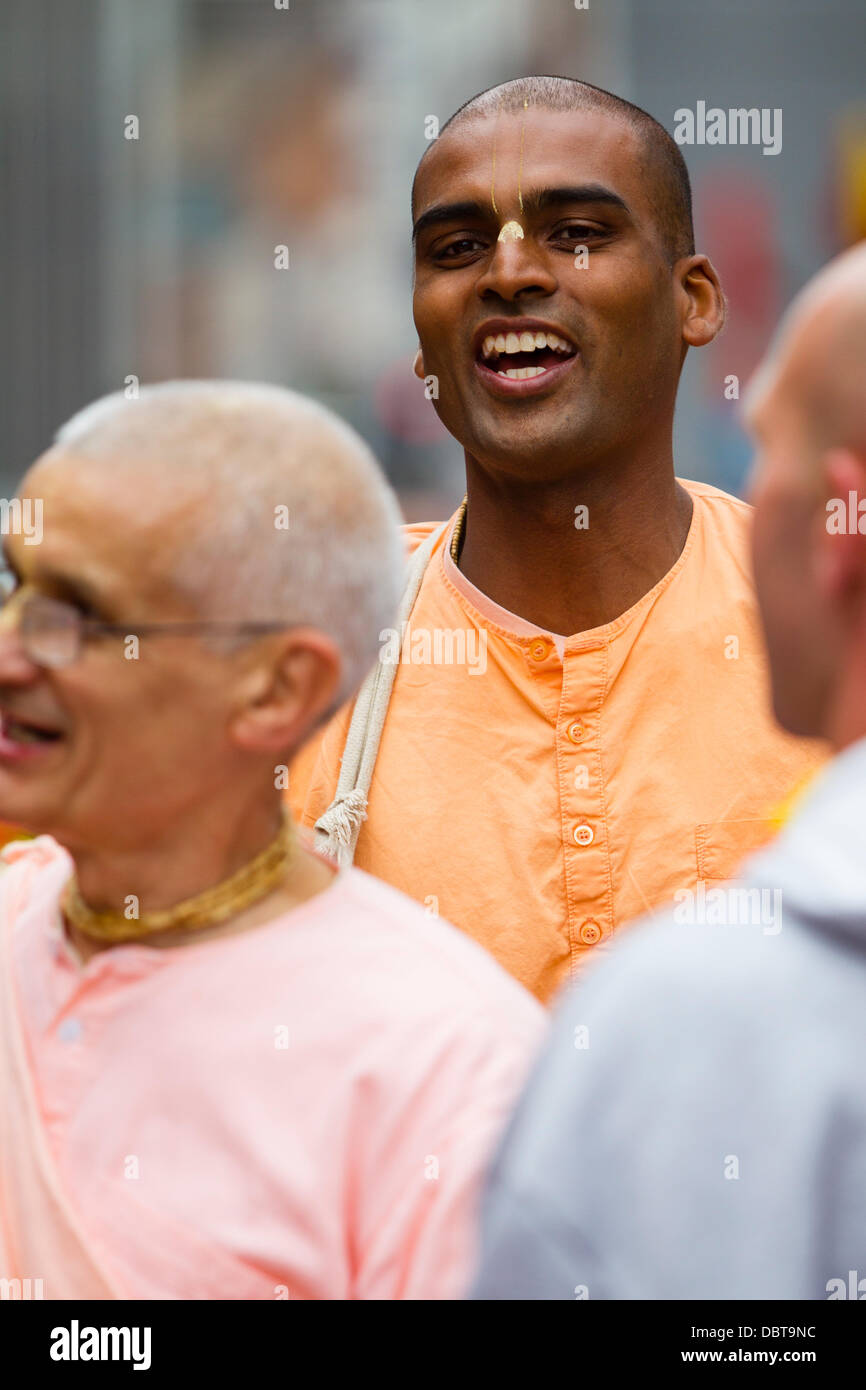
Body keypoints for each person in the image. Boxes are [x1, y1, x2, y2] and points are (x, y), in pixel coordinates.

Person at [0, 381, 544, 1302]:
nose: (11, 653)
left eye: (80, 620)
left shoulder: (445, 1070)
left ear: (276, 690)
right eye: (15, 586)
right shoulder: (17, 912)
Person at [289, 75, 826, 1005]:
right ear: (422, 343)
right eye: (456, 249)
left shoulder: (826, 625)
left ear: (694, 298)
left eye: (578, 233)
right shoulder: (296, 666)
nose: (508, 275)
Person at [471, 243, 866, 1301]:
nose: (508, 274)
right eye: (453, 245)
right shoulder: (354, 659)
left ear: (839, 525)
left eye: (765, 458)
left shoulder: (678, 1027)